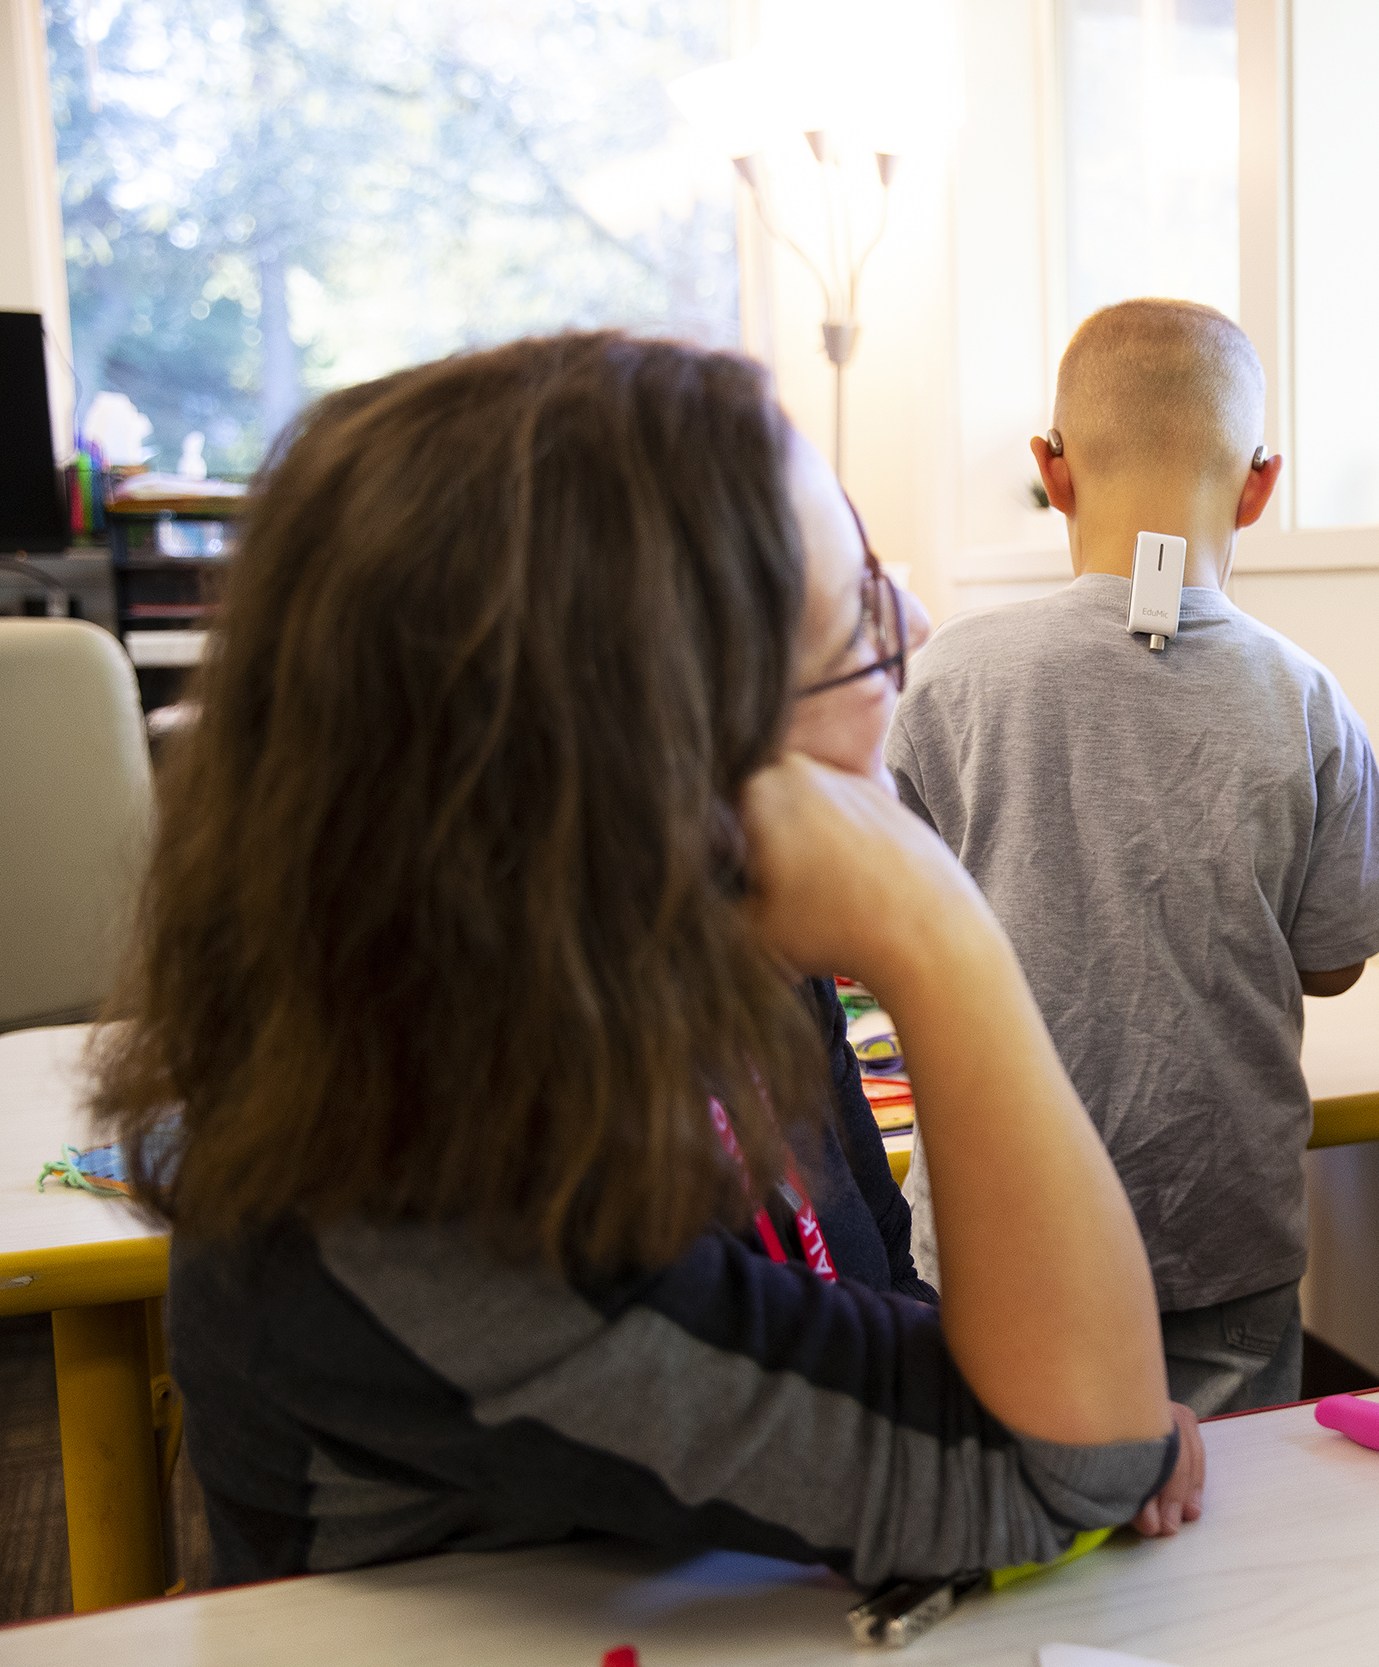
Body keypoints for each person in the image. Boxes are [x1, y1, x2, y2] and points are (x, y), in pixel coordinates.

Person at [90, 332, 1205, 1587]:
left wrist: (1047, 1374)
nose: (918, 629)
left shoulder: (684, 948)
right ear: (659, 758)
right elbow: (1072, 1458)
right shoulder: (414, 1215)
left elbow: (889, 1317)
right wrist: (941, 931)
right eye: (855, 620)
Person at [888, 299, 1379, 1416]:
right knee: (1228, 1534)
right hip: (1221, 1231)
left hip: (998, 1229)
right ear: (1260, 485)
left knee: (1010, 1527)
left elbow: (884, 928)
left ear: (1052, 469)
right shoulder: (1310, 701)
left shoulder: (947, 680)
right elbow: (1333, 962)